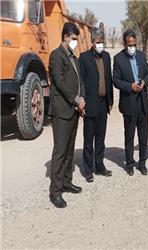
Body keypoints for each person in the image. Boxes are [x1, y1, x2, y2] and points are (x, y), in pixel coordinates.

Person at [48, 22, 85, 208]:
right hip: (62, 111)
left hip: (74, 111)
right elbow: (60, 83)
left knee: (70, 150)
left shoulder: (75, 59)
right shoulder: (56, 56)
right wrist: (76, 100)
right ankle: (55, 191)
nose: (75, 42)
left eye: (76, 39)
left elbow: (80, 82)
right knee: (60, 150)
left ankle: (66, 182)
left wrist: (82, 99)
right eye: (73, 39)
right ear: (65, 37)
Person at [113, 29, 148, 176]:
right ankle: (129, 164)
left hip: (142, 102)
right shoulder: (118, 59)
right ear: (124, 44)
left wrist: (143, 82)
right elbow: (115, 80)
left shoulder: (141, 56)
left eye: (134, 44)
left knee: (143, 136)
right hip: (129, 103)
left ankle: (142, 163)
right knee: (129, 136)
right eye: (129, 44)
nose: (132, 47)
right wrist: (130, 86)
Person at [79, 27, 113, 183]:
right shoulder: (84, 57)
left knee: (100, 139)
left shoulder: (106, 57)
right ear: (92, 41)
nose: (101, 45)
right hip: (90, 104)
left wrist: (110, 101)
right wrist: (82, 101)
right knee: (88, 140)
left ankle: (99, 166)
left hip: (103, 104)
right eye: (98, 42)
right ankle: (88, 170)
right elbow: (81, 82)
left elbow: (108, 79)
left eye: (102, 42)